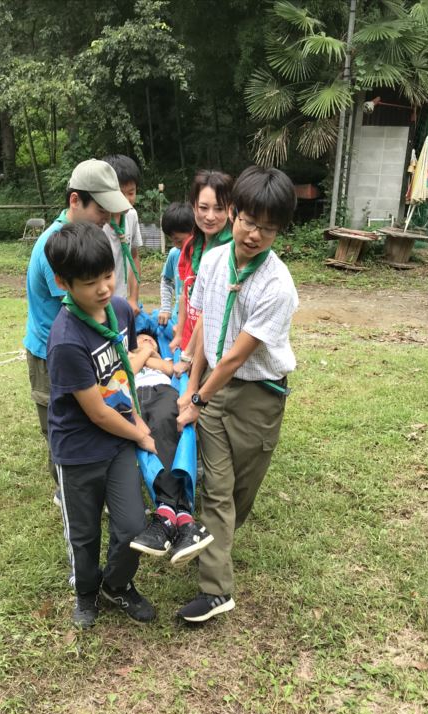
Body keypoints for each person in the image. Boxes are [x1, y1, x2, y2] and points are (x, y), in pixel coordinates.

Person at [175, 166, 299, 624]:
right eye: (248, 221)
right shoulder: (212, 261)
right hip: (212, 391)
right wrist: (192, 391)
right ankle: (215, 589)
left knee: (240, 495)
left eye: (267, 228)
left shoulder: (277, 286)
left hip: (257, 398)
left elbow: (236, 358)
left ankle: (215, 543)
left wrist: (198, 399)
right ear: (234, 214)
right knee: (217, 491)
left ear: (278, 230)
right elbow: (209, 326)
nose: (254, 234)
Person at [44, 221, 157, 629]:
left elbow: (122, 370)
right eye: (91, 282)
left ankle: (117, 585)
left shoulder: (119, 310)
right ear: (64, 282)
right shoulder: (66, 339)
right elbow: (96, 412)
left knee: (132, 528)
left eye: (108, 276)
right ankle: (86, 592)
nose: (105, 288)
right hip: (79, 452)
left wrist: (147, 351)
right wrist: (141, 433)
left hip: (117, 443)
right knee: (85, 534)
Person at [23, 160, 130, 499]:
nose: (107, 219)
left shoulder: (83, 240)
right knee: (62, 423)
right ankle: (67, 490)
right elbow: (75, 315)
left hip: (85, 350)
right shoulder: (58, 249)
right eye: (101, 209)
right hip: (50, 354)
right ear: (75, 201)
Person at [128, 333, 213, 565]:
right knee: (139, 436)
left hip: (162, 393)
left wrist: (147, 356)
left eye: (150, 339)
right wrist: (145, 353)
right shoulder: (124, 356)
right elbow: (128, 372)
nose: (145, 341)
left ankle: (167, 514)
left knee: (165, 427)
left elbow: (169, 369)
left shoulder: (165, 357)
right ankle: (183, 518)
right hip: (130, 397)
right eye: (140, 339)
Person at [169, 170, 233, 364]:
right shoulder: (189, 246)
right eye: (203, 207)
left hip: (214, 349)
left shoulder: (233, 252)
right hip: (189, 340)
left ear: (231, 209)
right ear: (193, 206)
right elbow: (184, 294)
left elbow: (212, 310)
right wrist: (180, 334)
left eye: (219, 209)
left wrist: (188, 355)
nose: (210, 216)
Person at [102, 155, 143, 316]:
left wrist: (133, 298)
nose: (126, 200)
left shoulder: (131, 215)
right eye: (120, 194)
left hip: (123, 302)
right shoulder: (98, 223)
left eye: (131, 193)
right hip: (101, 302)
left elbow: (134, 256)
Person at [158, 203, 195, 327]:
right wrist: (166, 308)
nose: (175, 245)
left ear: (193, 231)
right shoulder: (174, 253)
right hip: (177, 318)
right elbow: (166, 279)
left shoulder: (204, 256)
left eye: (178, 240)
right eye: (171, 240)